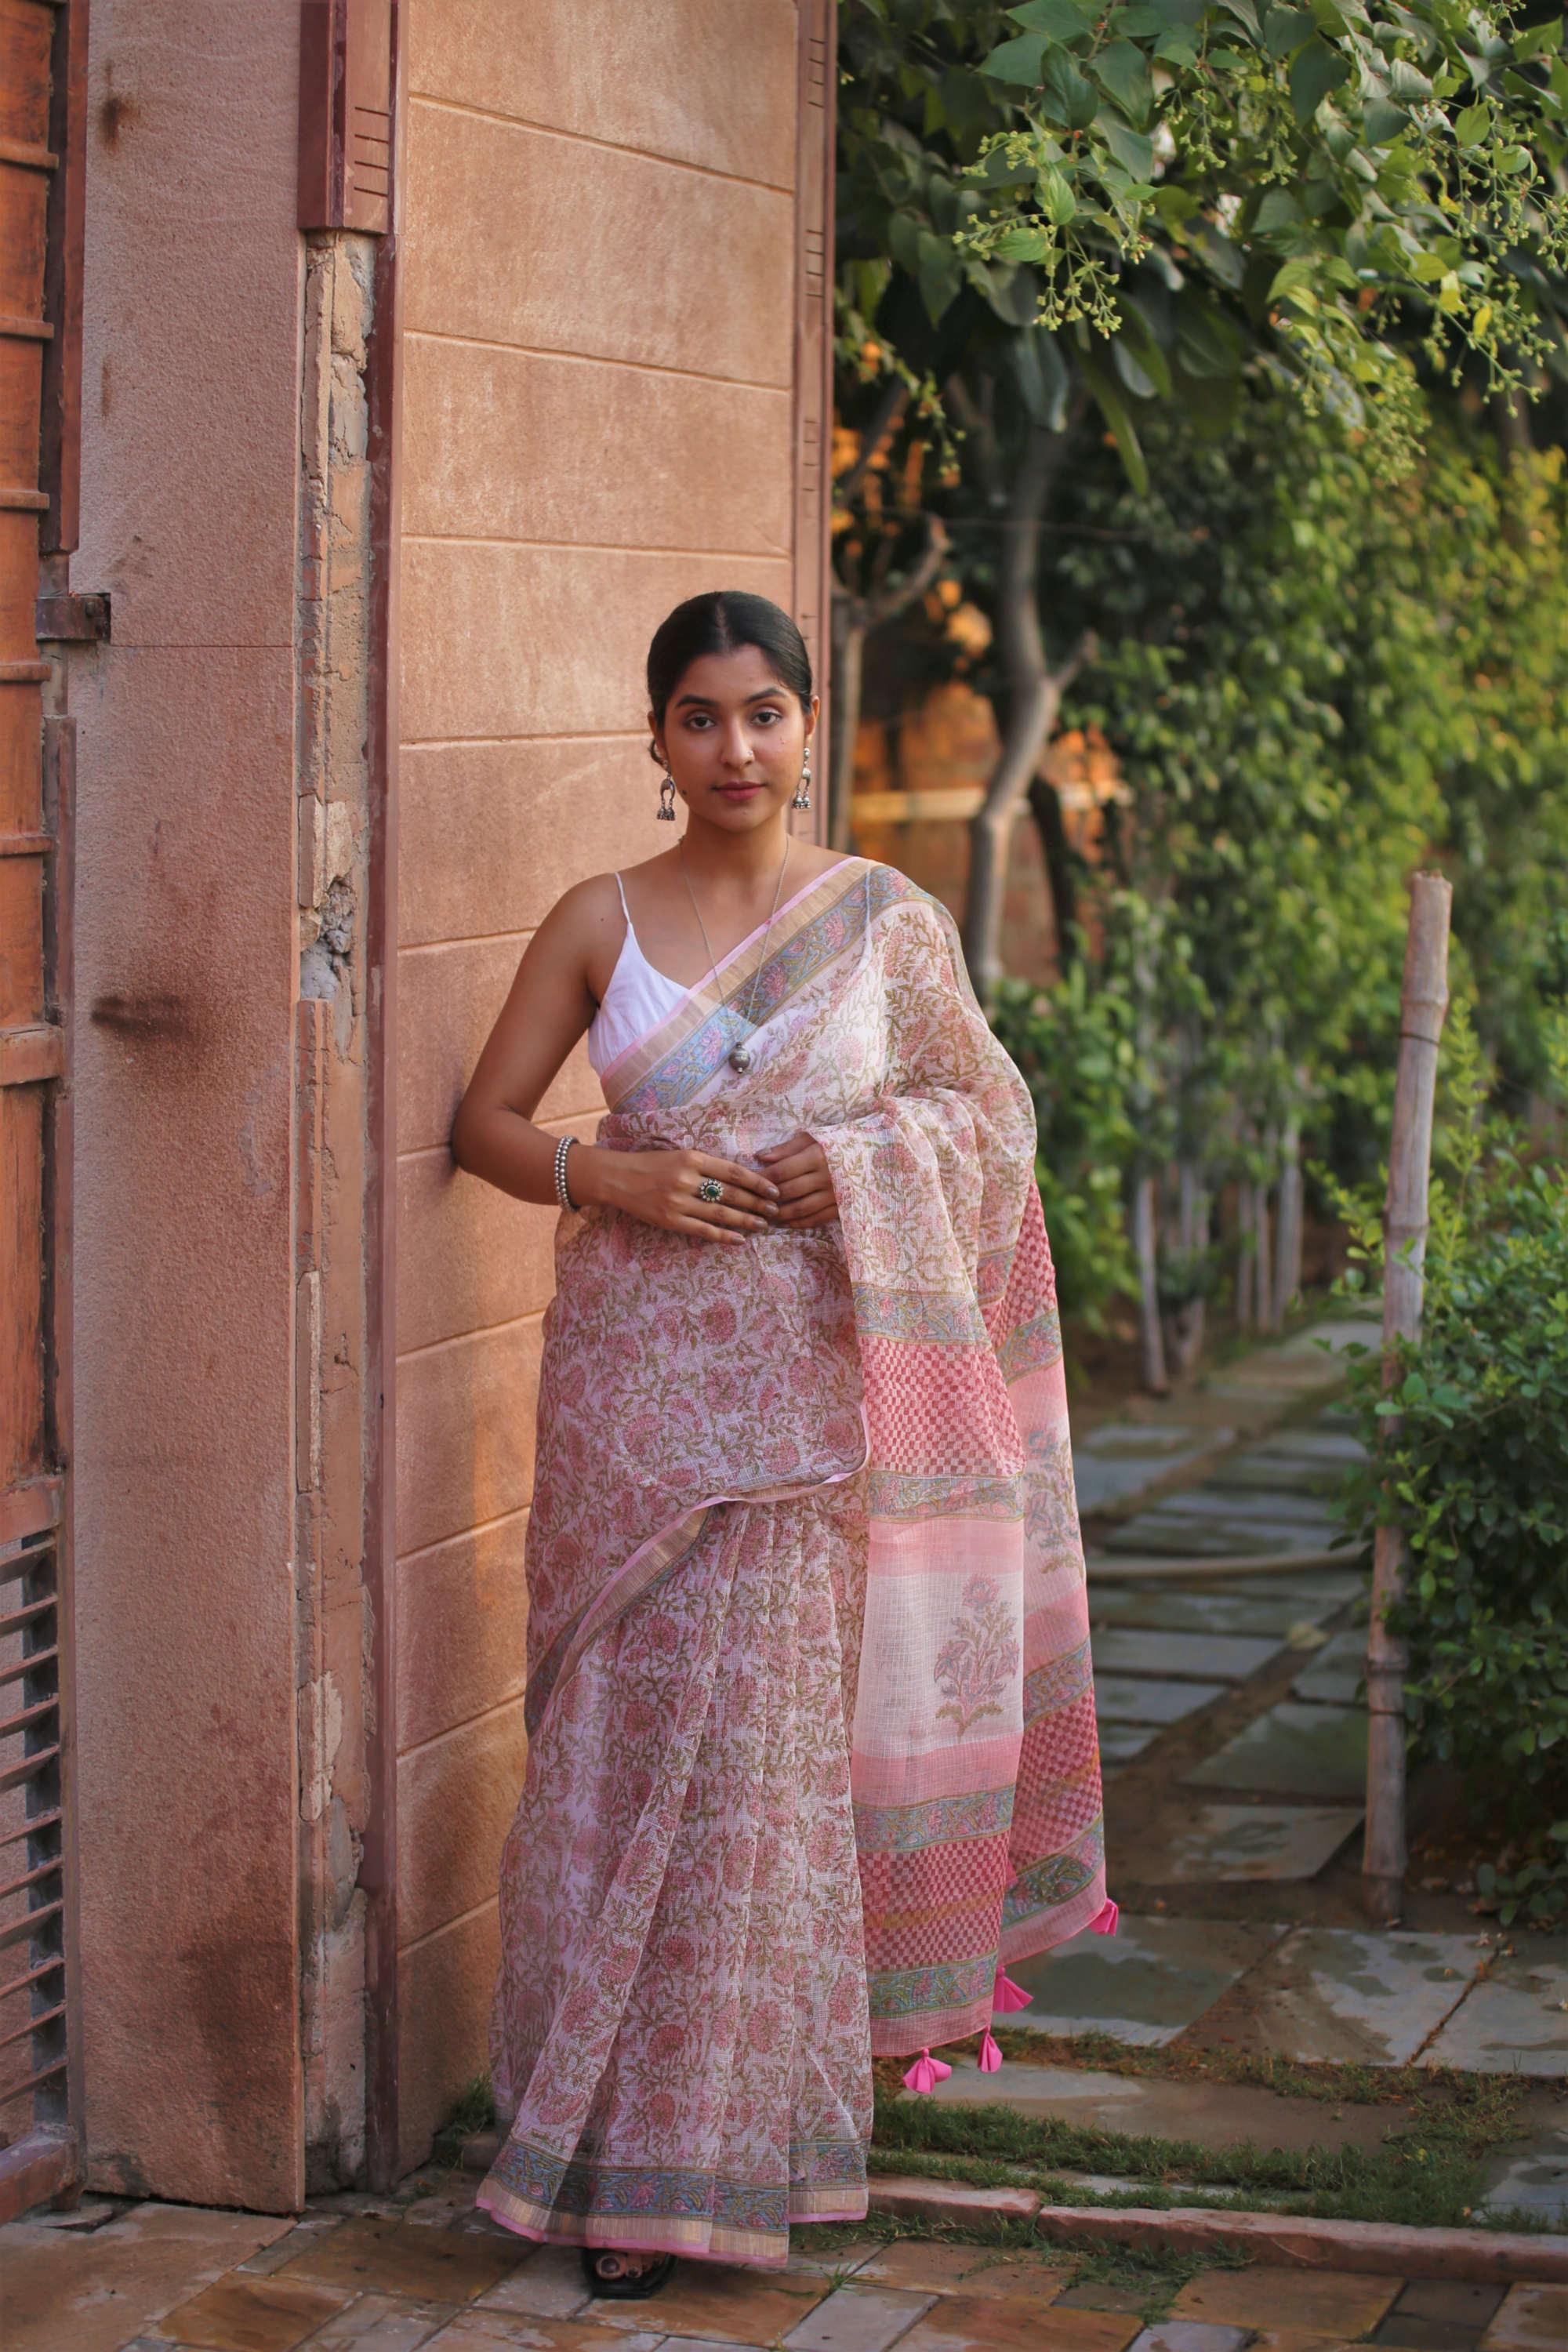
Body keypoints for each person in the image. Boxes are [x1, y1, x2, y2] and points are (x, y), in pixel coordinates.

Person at [450, 590, 1109, 2293]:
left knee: (753, 1784)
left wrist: (868, 1156)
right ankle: (595, 2152)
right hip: (634, 1417)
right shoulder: (597, 918)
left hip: (816, 1408)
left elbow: (992, 1114)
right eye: (697, 717)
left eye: (764, 714)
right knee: (616, 1762)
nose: (734, 748)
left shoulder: (885, 924)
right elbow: (483, 1122)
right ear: (654, 738)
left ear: (808, 726)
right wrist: (613, 1173)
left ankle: (719, 2157)